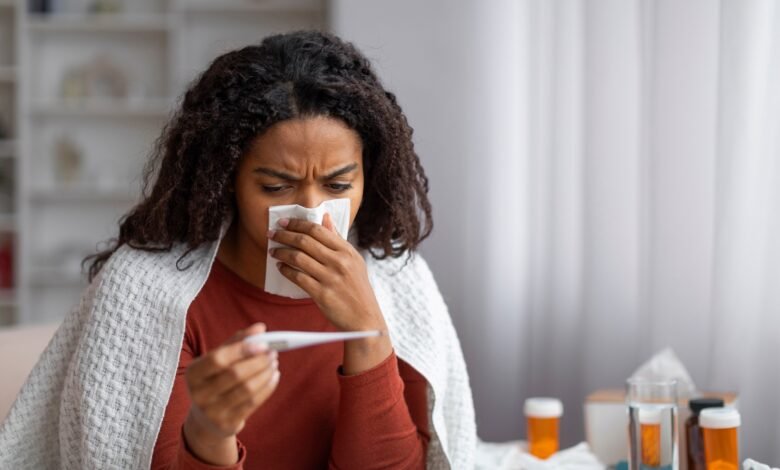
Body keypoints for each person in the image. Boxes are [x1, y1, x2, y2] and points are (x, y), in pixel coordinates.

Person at [0, 30, 476, 469]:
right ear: (225, 181)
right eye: (275, 187)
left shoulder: (394, 278)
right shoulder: (147, 291)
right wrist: (210, 431)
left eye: (337, 184)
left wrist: (369, 330)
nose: (310, 212)